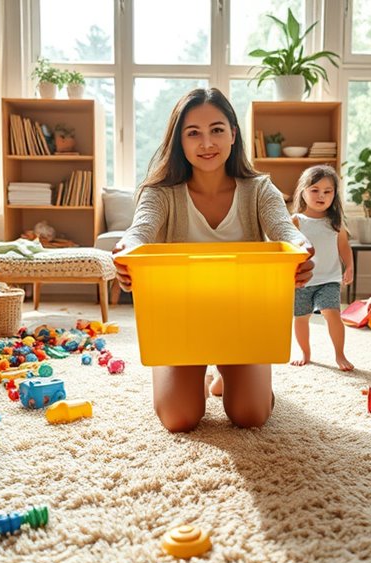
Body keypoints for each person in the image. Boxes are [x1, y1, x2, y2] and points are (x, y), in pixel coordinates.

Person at [112, 87, 314, 433]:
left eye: (217, 130)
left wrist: (300, 245)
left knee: (250, 415)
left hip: (244, 319)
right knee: (180, 418)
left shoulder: (259, 189)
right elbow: (140, 229)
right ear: (180, 141)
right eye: (193, 133)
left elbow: (284, 228)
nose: (207, 143)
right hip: (181, 320)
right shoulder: (160, 193)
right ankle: (202, 373)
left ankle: (228, 372)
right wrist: (126, 248)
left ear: (233, 134)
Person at [289, 165, 354, 371]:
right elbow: (288, 249)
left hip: (329, 280)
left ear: (334, 195)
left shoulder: (335, 223)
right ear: (303, 192)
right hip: (302, 281)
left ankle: (340, 354)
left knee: (332, 313)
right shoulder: (296, 221)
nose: (321, 196)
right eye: (315, 190)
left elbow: (343, 246)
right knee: (301, 318)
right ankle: (305, 353)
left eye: (327, 191)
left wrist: (349, 267)